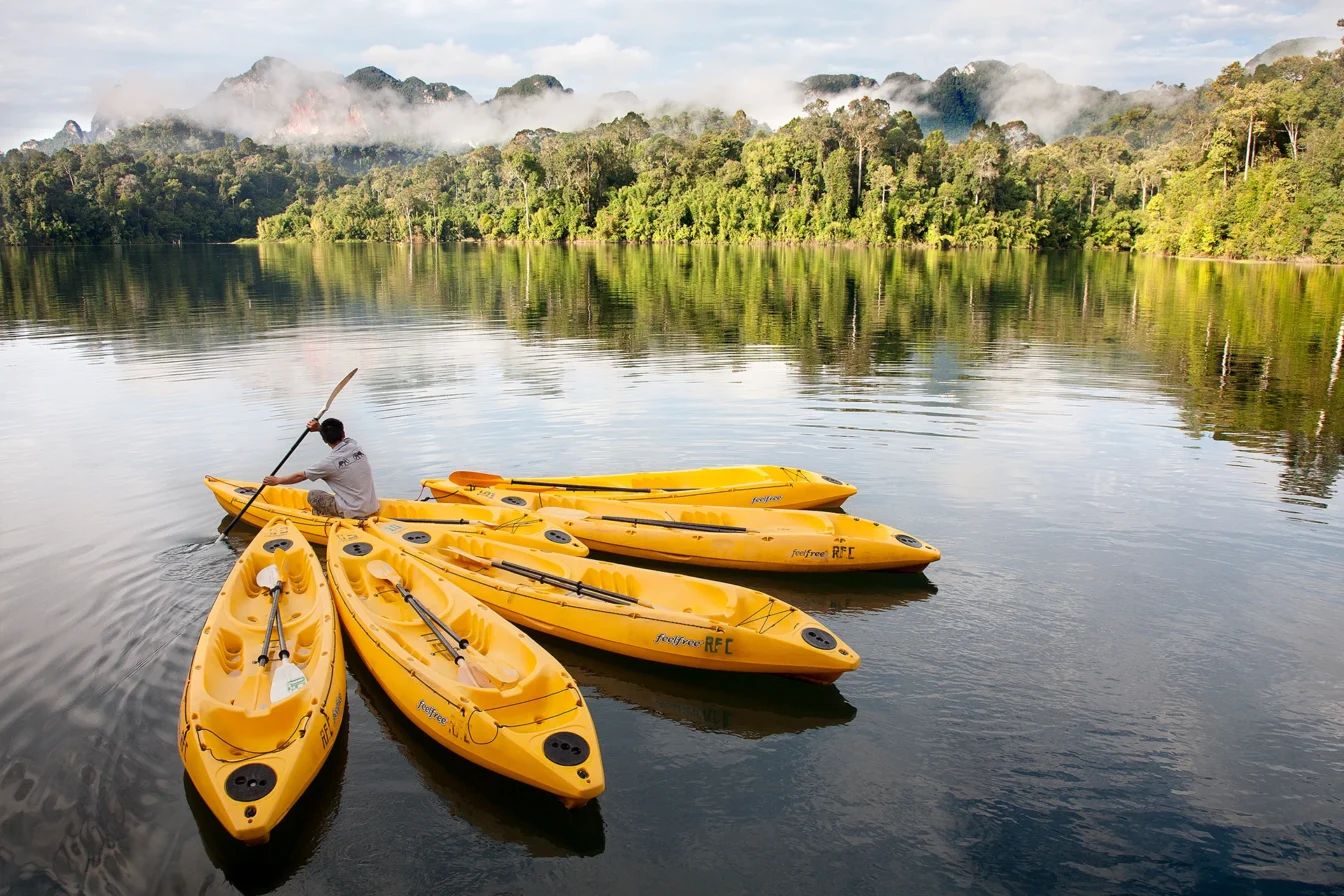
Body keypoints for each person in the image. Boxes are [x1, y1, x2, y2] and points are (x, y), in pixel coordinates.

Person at [262, 418, 379, 518]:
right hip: (372, 506)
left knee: (313, 495)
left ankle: (321, 517)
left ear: (324, 440)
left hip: (352, 511)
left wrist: (277, 481)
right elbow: (338, 437)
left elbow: (301, 476)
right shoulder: (355, 446)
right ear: (343, 433)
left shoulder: (327, 464)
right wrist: (319, 429)